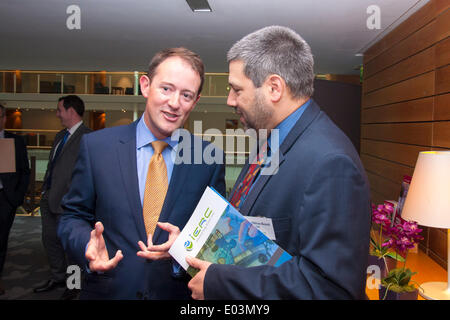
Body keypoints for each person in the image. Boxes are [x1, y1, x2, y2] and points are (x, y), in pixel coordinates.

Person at [148, 26, 371, 299]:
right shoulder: (271, 143)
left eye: (236, 89)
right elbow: (247, 237)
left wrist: (220, 283)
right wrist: (187, 248)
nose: (230, 100)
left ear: (274, 88)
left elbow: (330, 289)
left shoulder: (331, 164)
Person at [57, 47, 226, 300]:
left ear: (195, 101)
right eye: (166, 88)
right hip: (110, 291)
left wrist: (181, 249)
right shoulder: (97, 147)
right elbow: (71, 216)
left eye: (186, 95)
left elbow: (217, 238)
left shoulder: (208, 159)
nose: (174, 103)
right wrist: (87, 244)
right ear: (145, 86)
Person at [34, 95, 91, 299]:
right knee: (50, 241)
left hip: (70, 205)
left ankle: (73, 284)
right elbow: (53, 167)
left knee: (72, 248)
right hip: (49, 200)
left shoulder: (88, 138)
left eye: (59, 110)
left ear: (71, 111)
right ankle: (58, 277)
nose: (57, 114)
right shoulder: (60, 136)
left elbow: (88, 174)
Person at [0, 104, 31, 296]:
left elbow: (24, 171)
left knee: (1, 241)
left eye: (1, 116)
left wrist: (17, 197)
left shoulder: (16, 141)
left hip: (5, 199)